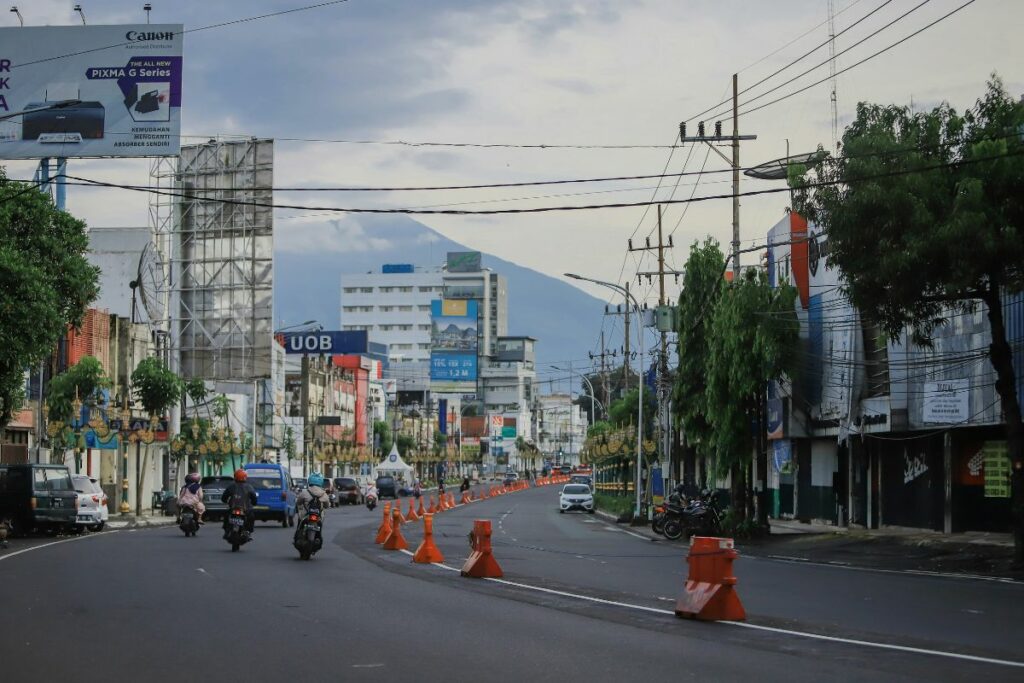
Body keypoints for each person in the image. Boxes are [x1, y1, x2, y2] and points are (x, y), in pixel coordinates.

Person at [221, 469, 257, 538]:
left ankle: (227, 530)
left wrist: (225, 501)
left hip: (233, 508)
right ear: (245, 477)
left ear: (235, 477)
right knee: (251, 517)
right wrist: (254, 503)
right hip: (245, 509)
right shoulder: (249, 487)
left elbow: (224, 497)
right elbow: (254, 498)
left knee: (226, 516)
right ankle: (248, 531)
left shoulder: (231, 486)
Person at [295, 473, 330, 541]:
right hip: (318, 516)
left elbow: (299, 502)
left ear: (310, 481)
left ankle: (298, 535)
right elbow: (327, 506)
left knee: (300, 520)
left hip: (306, 515)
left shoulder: (305, 492)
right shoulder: (324, 494)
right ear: (321, 482)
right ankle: (318, 536)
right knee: (320, 524)